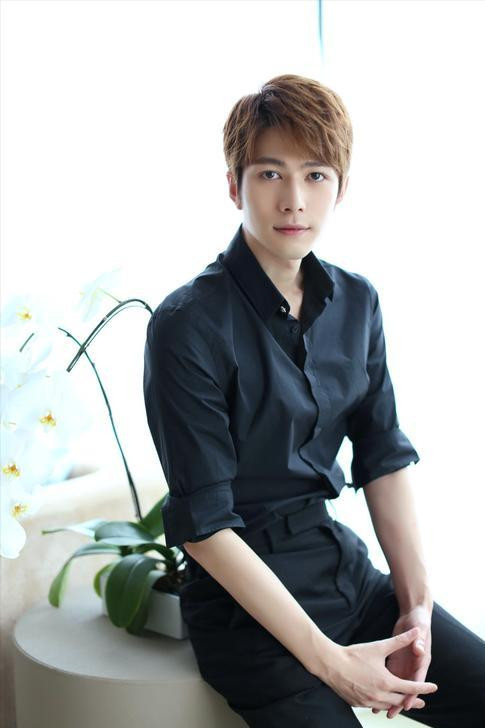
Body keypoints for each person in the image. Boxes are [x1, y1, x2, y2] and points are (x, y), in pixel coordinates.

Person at [143, 74, 485, 727]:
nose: (294, 200)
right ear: (234, 185)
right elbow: (205, 525)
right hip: (248, 615)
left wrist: (414, 606)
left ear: (341, 187)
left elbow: (382, 454)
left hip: (342, 574)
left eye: (316, 175)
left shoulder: (357, 301)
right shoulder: (187, 323)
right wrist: (330, 663)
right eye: (270, 173)